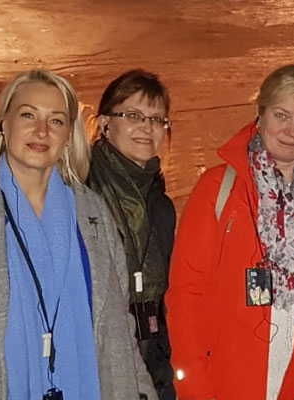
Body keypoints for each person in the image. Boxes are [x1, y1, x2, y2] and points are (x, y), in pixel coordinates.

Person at [0, 69, 157, 399]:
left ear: (68, 136)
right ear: (3, 124)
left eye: (56, 121)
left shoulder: (94, 216)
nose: (41, 131)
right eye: (28, 115)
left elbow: (120, 324)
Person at [166, 64, 294, 399]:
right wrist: (195, 389)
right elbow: (186, 295)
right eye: (281, 115)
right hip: (226, 386)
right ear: (259, 115)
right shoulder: (217, 189)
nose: (292, 130)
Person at [87, 69, 177, 399]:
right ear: (104, 124)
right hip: (97, 365)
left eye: (157, 119)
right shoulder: (81, 194)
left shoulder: (162, 206)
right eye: (133, 116)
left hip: (153, 361)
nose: (147, 128)